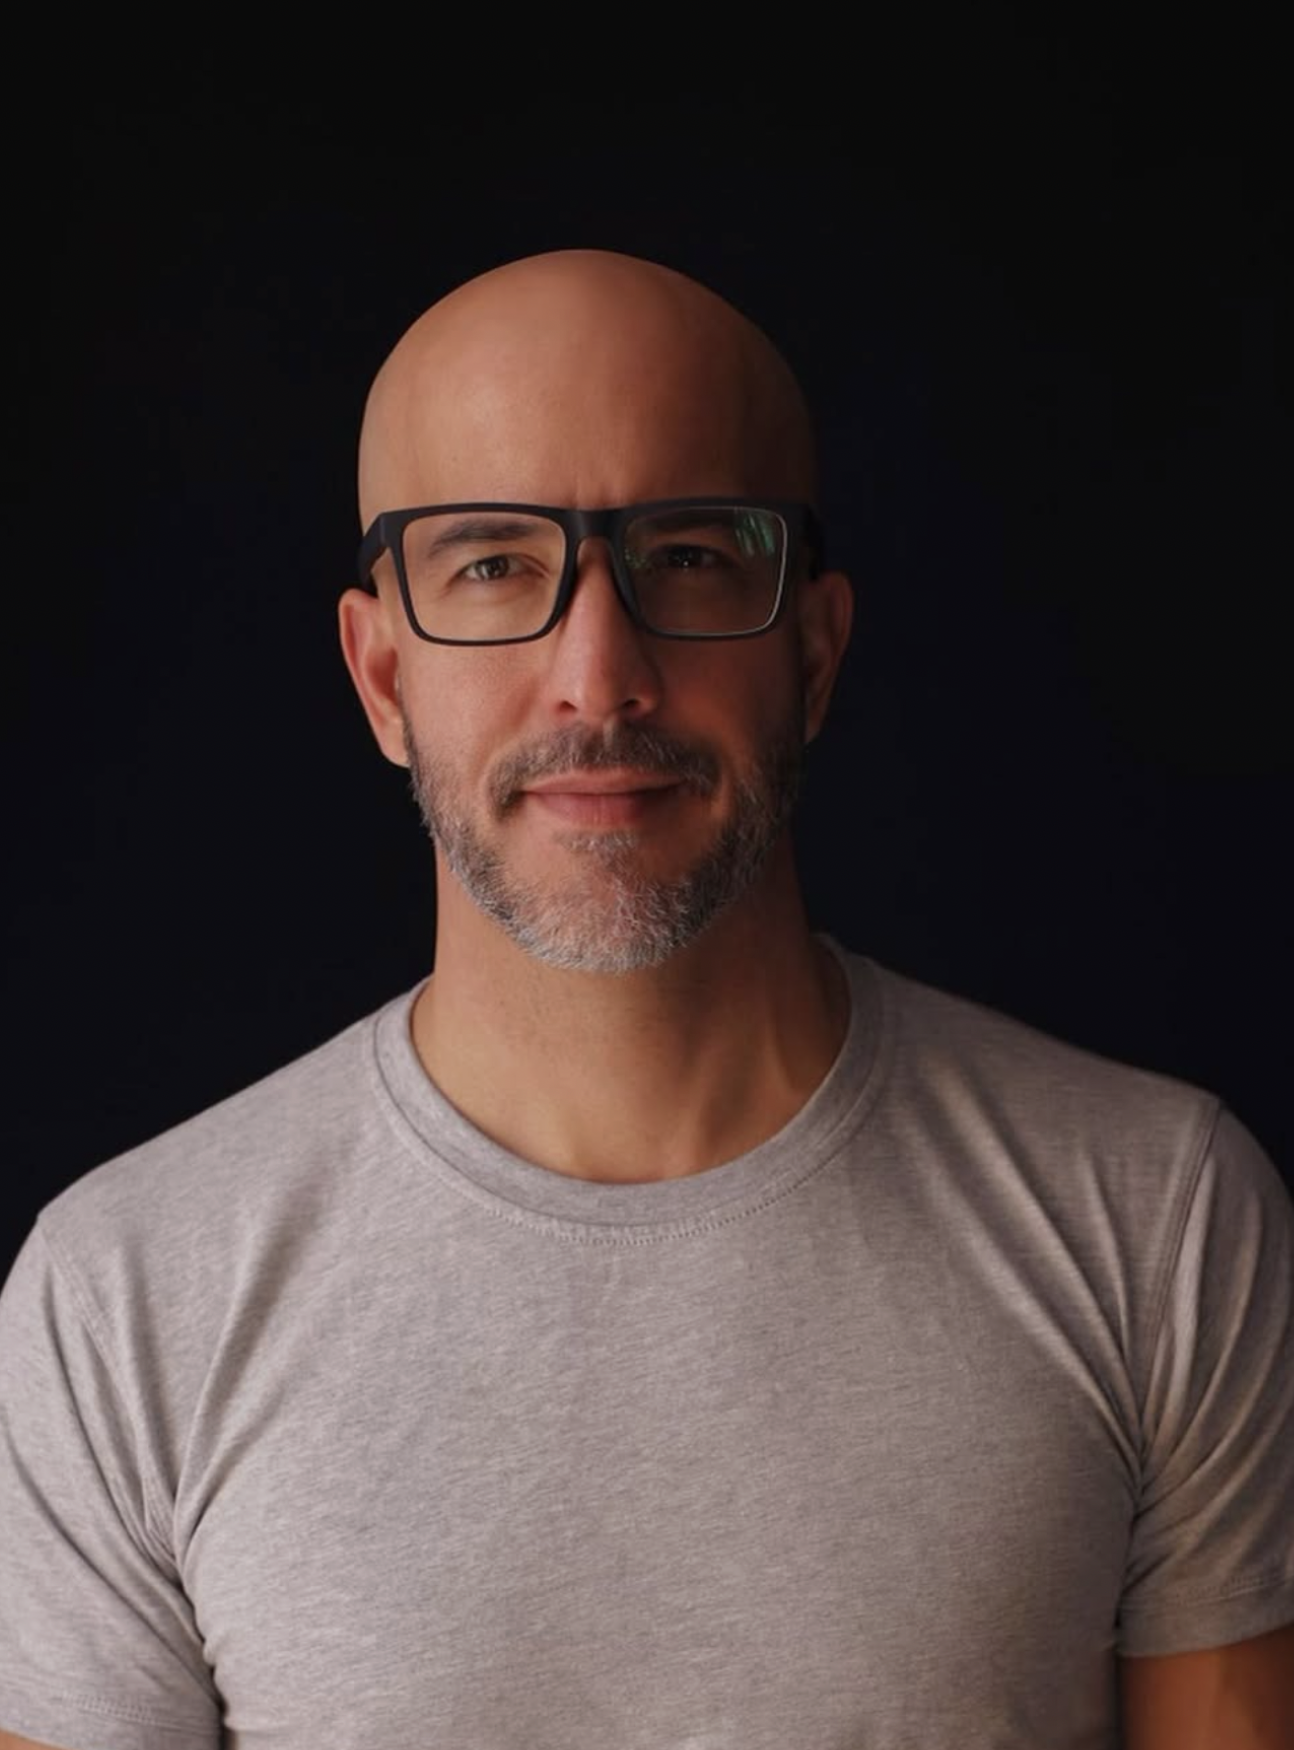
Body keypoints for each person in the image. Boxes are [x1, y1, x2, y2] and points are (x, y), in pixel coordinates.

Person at [1, 249, 1291, 1750]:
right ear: (378, 673)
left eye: (688, 555)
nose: (596, 673)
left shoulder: (1157, 1213)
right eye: (490, 562)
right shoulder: (123, 1296)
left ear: (811, 650)